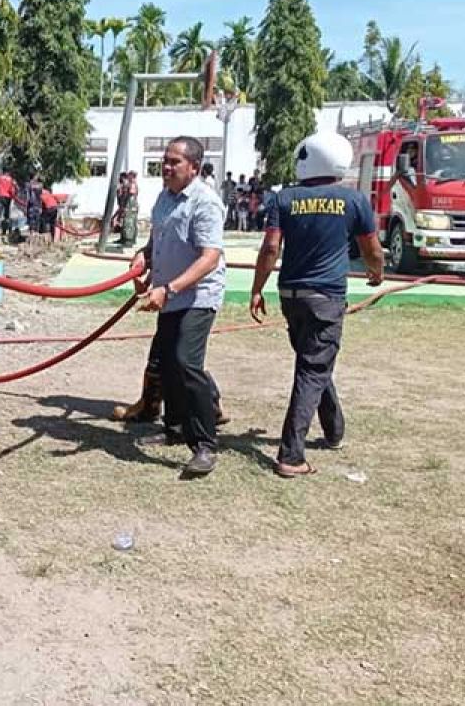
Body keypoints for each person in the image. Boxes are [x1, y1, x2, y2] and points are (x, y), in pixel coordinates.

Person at [249, 131, 385, 478]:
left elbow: (269, 249)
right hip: (326, 298)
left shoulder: (284, 199)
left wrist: (257, 289)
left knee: (314, 363)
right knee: (312, 368)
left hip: (291, 295)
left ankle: (334, 429)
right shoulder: (353, 201)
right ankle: (291, 456)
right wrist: (376, 273)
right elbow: (371, 249)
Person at [131, 137, 226, 476]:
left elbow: (209, 258)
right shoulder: (164, 198)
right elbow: (158, 239)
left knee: (186, 363)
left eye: (175, 162)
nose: (166, 168)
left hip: (197, 296)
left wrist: (168, 288)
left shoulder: (205, 202)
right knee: (168, 362)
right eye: (164, 161)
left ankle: (204, 444)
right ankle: (173, 427)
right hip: (169, 294)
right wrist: (144, 256)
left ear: (195, 168)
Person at [120, 171, 139, 246]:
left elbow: (132, 192)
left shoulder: (132, 184)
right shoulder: (130, 184)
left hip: (131, 206)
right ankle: (125, 238)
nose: (128, 177)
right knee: (127, 222)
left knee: (129, 223)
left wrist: (126, 188)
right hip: (129, 205)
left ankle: (129, 240)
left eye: (129, 176)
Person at [0, 170, 16, 237]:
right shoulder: (11, 179)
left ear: (3, 172)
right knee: (7, 215)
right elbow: (12, 189)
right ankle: (6, 231)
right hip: (8, 198)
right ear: (8, 172)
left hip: (0, 196)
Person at [24, 174, 43, 246]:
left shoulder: (28, 185)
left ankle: (32, 240)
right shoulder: (40, 185)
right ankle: (36, 240)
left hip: (31, 206)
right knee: (37, 222)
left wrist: (25, 207)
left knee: (32, 222)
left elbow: (27, 197)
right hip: (38, 206)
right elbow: (41, 196)